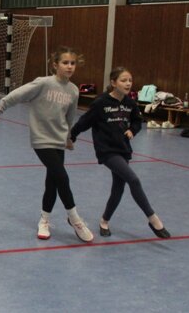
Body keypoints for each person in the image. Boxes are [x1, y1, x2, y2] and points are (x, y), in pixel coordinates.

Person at [0, 46, 94, 243]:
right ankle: (75, 218)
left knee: (53, 181)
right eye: (65, 63)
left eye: (72, 63)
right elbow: (16, 95)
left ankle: (44, 220)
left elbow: (69, 117)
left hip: (58, 140)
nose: (69, 66)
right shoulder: (43, 83)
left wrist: (68, 138)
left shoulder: (73, 90)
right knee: (62, 176)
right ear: (55, 64)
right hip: (41, 139)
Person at [70, 67, 170, 239]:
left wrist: (132, 130)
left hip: (123, 149)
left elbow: (137, 121)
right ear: (113, 82)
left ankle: (104, 221)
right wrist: (71, 136)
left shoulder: (130, 103)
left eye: (130, 80)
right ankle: (153, 219)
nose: (128, 83)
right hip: (107, 151)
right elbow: (84, 122)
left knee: (118, 188)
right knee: (133, 180)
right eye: (123, 80)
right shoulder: (101, 103)